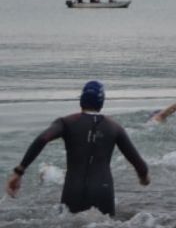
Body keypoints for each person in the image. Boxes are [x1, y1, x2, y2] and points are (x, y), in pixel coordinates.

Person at [6, 80, 150, 215]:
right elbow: (139, 164)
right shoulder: (114, 127)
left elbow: (42, 139)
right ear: (101, 103)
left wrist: (19, 172)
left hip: (73, 191)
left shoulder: (66, 122)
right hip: (103, 192)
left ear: (81, 101)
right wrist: (144, 178)